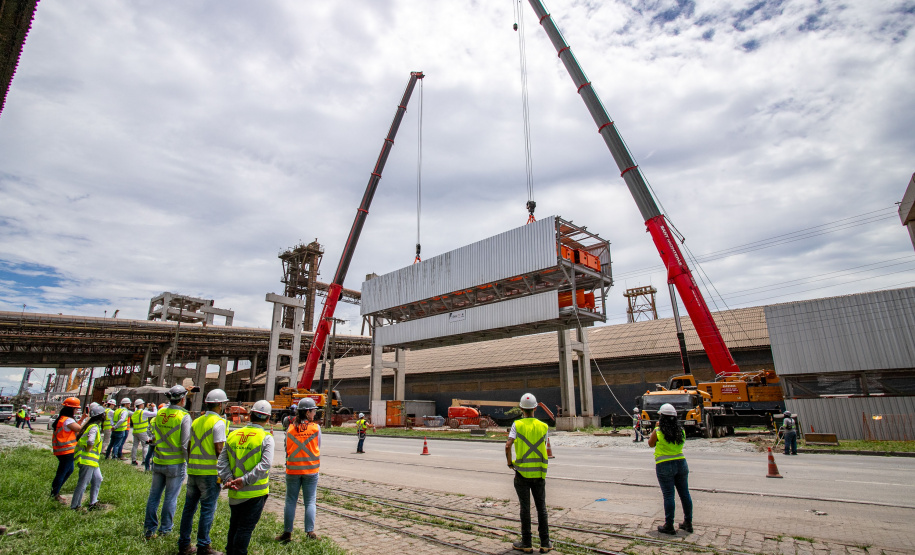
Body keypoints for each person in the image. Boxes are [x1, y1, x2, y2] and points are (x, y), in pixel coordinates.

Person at [218, 399, 274, 555]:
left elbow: (222, 461)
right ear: (268, 418)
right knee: (245, 529)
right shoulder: (266, 437)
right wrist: (244, 481)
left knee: (234, 526)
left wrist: (228, 479)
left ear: (250, 415)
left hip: (234, 492)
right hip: (254, 493)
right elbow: (265, 465)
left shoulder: (233, 434)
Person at [177, 389, 229, 555]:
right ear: (219, 405)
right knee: (207, 509)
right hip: (209, 473)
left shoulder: (197, 421)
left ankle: (184, 545)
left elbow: (189, 446)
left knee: (189, 509)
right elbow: (219, 449)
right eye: (224, 404)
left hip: (193, 471)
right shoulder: (219, 422)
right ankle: (203, 546)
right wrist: (225, 472)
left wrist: (191, 464)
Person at [505, 393, 551, 553]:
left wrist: (510, 463)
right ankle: (545, 543)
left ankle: (526, 543)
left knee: (525, 509)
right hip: (539, 473)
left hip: (522, 474)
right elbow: (543, 445)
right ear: (535, 408)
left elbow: (508, 445)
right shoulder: (544, 426)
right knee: (541, 508)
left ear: (521, 408)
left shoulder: (517, 425)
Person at [144, 386, 192, 540]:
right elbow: (185, 444)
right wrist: (189, 462)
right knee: (170, 498)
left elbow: (153, 434)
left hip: (158, 461)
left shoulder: (160, 413)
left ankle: (149, 529)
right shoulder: (183, 416)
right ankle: (165, 530)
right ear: (183, 399)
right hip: (175, 464)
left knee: (154, 496)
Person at [276, 397, 321, 544]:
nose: (315, 413)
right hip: (311, 470)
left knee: (290, 501)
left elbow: (287, 447)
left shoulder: (290, 428)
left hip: (293, 470)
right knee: (310, 501)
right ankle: (310, 532)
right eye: (313, 411)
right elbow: (318, 446)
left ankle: (287, 533)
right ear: (307, 412)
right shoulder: (315, 428)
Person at [648, 403, 693, 535]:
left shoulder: (658, 431)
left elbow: (650, 444)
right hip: (681, 463)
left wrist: (656, 428)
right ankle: (688, 523)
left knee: (668, 495)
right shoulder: (681, 431)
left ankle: (669, 525)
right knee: (685, 494)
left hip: (664, 465)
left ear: (662, 418)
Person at [71, 403, 106, 511]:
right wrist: (89, 448)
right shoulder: (94, 427)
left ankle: (93, 502)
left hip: (92, 460)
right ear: (100, 416)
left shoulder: (92, 426)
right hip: (87, 459)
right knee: (83, 483)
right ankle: (75, 506)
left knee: (98, 478)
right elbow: (91, 440)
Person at [51, 397, 86, 502]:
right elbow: (80, 429)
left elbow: (75, 427)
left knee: (69, 470)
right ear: (72, 409)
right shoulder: (68, 420)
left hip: (61, 450)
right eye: (76, 409)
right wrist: (88, 420)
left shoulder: (62, 419)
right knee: (62, 472)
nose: (76, 411)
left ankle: (55, 491)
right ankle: (54, 493)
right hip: (66, 451)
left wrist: (82, 418)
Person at [130, 398, 152, 466]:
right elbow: (155, 414)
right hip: (143, 432)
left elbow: (143, 415)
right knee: (145, 446)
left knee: (135, 446)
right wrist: (154, 407)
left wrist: (146, 408)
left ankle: (133, 460)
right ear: (141, 405)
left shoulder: (135, 413)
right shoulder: (143, 412)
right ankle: (144, 461)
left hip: (135, 431)